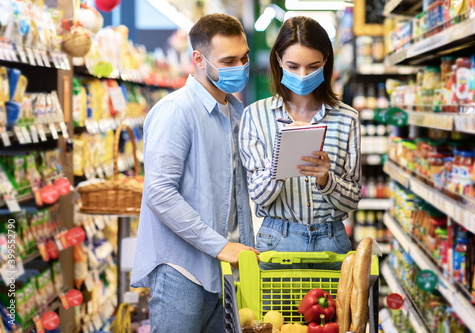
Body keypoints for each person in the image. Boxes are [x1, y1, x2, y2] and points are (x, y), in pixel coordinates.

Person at [131, 14, 259, 333]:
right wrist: (219, 245)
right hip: (182, 270)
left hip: (224, 268)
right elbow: (159, 192)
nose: (240, 67)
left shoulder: (237, 112)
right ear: (198, 60)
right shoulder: (176, 111)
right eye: (228, 60)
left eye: (243, 58)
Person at [239, 16, 361, 261]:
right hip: (277, 240)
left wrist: (326, 179)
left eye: (313, 66)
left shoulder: (347, 118)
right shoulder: (255, 115)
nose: (303, 75)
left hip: (332, 241)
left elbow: (353, 200)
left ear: (326, 61)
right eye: (293, 66)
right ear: (279, 60)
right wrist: (281, 163)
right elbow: (258, 196)